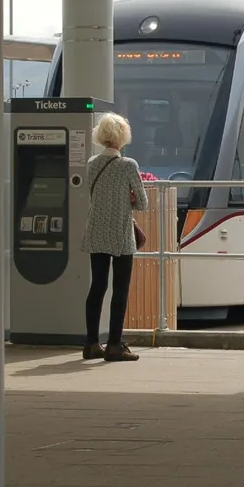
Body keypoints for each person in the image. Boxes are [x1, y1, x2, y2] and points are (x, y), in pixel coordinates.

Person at [80, 112, 149, 362]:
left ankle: (90, 344)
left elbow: (93, 194)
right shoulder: (128, 165)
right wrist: (128, 197)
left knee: (97, 286)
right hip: (121, 234)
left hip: (96, 231)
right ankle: (115, 345)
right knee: (120, 288)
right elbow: (142, 202)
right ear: (123, 136)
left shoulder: (92, 163)